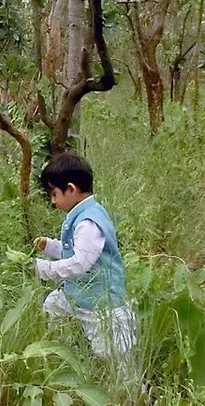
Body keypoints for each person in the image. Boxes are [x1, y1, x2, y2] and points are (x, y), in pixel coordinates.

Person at [33, 152, 137, 371]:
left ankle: (134, 396)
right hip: (77, 294)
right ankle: (64, 357)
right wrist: (51, 247)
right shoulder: (82, 215)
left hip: (100, 302)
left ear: (71, 189)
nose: (53, 201)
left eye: (54, 194)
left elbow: (81, 262)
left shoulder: (88, 222)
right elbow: (79, 252)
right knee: (51, 308)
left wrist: (46, 269)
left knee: (113, 354)